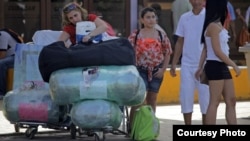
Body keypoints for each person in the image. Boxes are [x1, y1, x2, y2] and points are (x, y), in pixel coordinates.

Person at [195, 0, 241, 125]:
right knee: (214, 102)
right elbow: (217, 51)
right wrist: (234, 65)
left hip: (221, 65)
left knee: (231, 100)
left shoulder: (218, 25)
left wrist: (199, 67)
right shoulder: (212, 27)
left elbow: (205, 48)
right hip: (215, 65)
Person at [128, 7, 172, 126]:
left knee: (152, 99)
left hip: (157, 71)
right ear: (142, 20)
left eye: (153, 17)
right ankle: (132, 126)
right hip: (140, 70)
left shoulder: (161, 35)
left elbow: (167, 52)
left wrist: (163, 69)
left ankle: (150, 127)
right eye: (148, 17)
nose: (151, 20)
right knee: (139, 99)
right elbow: (128, 51)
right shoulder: (135, 35)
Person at [170, 0, 209, 125]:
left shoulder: (209, 17)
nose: (196, 2)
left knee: (206, 100)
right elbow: (180, 41)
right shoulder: (184, 18)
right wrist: (174, 63)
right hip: (187, 64)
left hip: (204, 65)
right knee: (186, 98)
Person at [0, 28, 23, 100]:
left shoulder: (2, 35)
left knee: (1, 63)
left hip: (18, 57)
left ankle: (1, 93)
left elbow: (2, 55)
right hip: (10, 58)